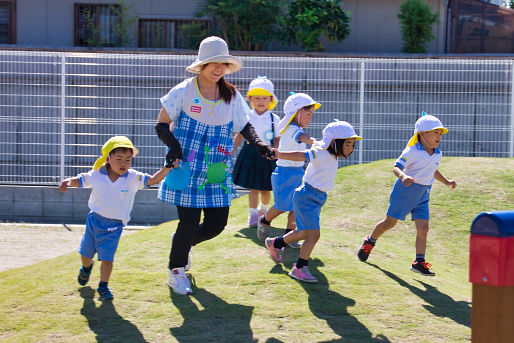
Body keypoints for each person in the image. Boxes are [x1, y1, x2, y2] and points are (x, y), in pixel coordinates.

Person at [155, 36, 272, 295]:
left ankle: (183, 245)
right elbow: (161, 124)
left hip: (216, 170)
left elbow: (244, 126)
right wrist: (174, 148)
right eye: (212, 64)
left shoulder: (231, 95)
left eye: (222, 64)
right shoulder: (184, 90)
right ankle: (176, 271)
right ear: (201, 66)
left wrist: (261, 145)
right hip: (186, 166)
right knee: (188, 222)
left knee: (216, 224)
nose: (218, 69)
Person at [59, 136, 171, 300]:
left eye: (128, 159)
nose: (123, 163)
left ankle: (103, 286)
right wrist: (68, 182)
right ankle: (86, 267)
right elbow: (81, 180)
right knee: (85, 255)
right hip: (94, 221)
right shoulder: (97, 175)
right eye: (119, 159)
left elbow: (153, 180)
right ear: (108, 158)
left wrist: (168, 167)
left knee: (107, 258)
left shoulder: (133, 177)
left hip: (115, 226)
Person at [357, 113, 457, 276]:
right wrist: (403, 176)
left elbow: (432, 170)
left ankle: (418, 262)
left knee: (423, 228)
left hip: (423, 195)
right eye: (435, 133)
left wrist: (446, 182)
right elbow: (396, 167)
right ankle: (370, 241)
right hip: (405, 191)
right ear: (422, 134)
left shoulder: (437, 153)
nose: (439, 137)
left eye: (440, 133)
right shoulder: (411, 151)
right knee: (389, 223)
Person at [265, 121, 362, 283]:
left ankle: (276, 243)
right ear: (333, 142)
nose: (350, 148)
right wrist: (280, 154)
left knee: (303, 232)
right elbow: (302, 155)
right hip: (306, 196)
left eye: (352, 144)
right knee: (314, 234)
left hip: (317, 198)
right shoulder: (321, 152)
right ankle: (300, 268)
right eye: (347, 143)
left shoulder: (332, 154)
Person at [256, 92, 319, 248]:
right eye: (308, 113)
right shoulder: (292, 129)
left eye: (312, 114)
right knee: (282, 205)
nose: (310, 118)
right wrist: (313, 141)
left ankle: (290, 235)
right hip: (284, 174)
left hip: (297, 173)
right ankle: (265, 220)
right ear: (296, 113)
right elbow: (302, 137)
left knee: (295, 205)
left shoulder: (294, 127)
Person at [232, 76, 280, 228]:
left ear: (270, 99)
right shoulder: (247, 117)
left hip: (268, 155)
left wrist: (277, 151)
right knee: (253, 187)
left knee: (266, 188)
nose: (261, 101)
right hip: (250, 153)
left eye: (264, 98)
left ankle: (263, 211)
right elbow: (240, 135)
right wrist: (230, 150)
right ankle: (253, 214)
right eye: (257, 98)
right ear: (250, 99)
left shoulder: (275, 118)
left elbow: (278, 138)